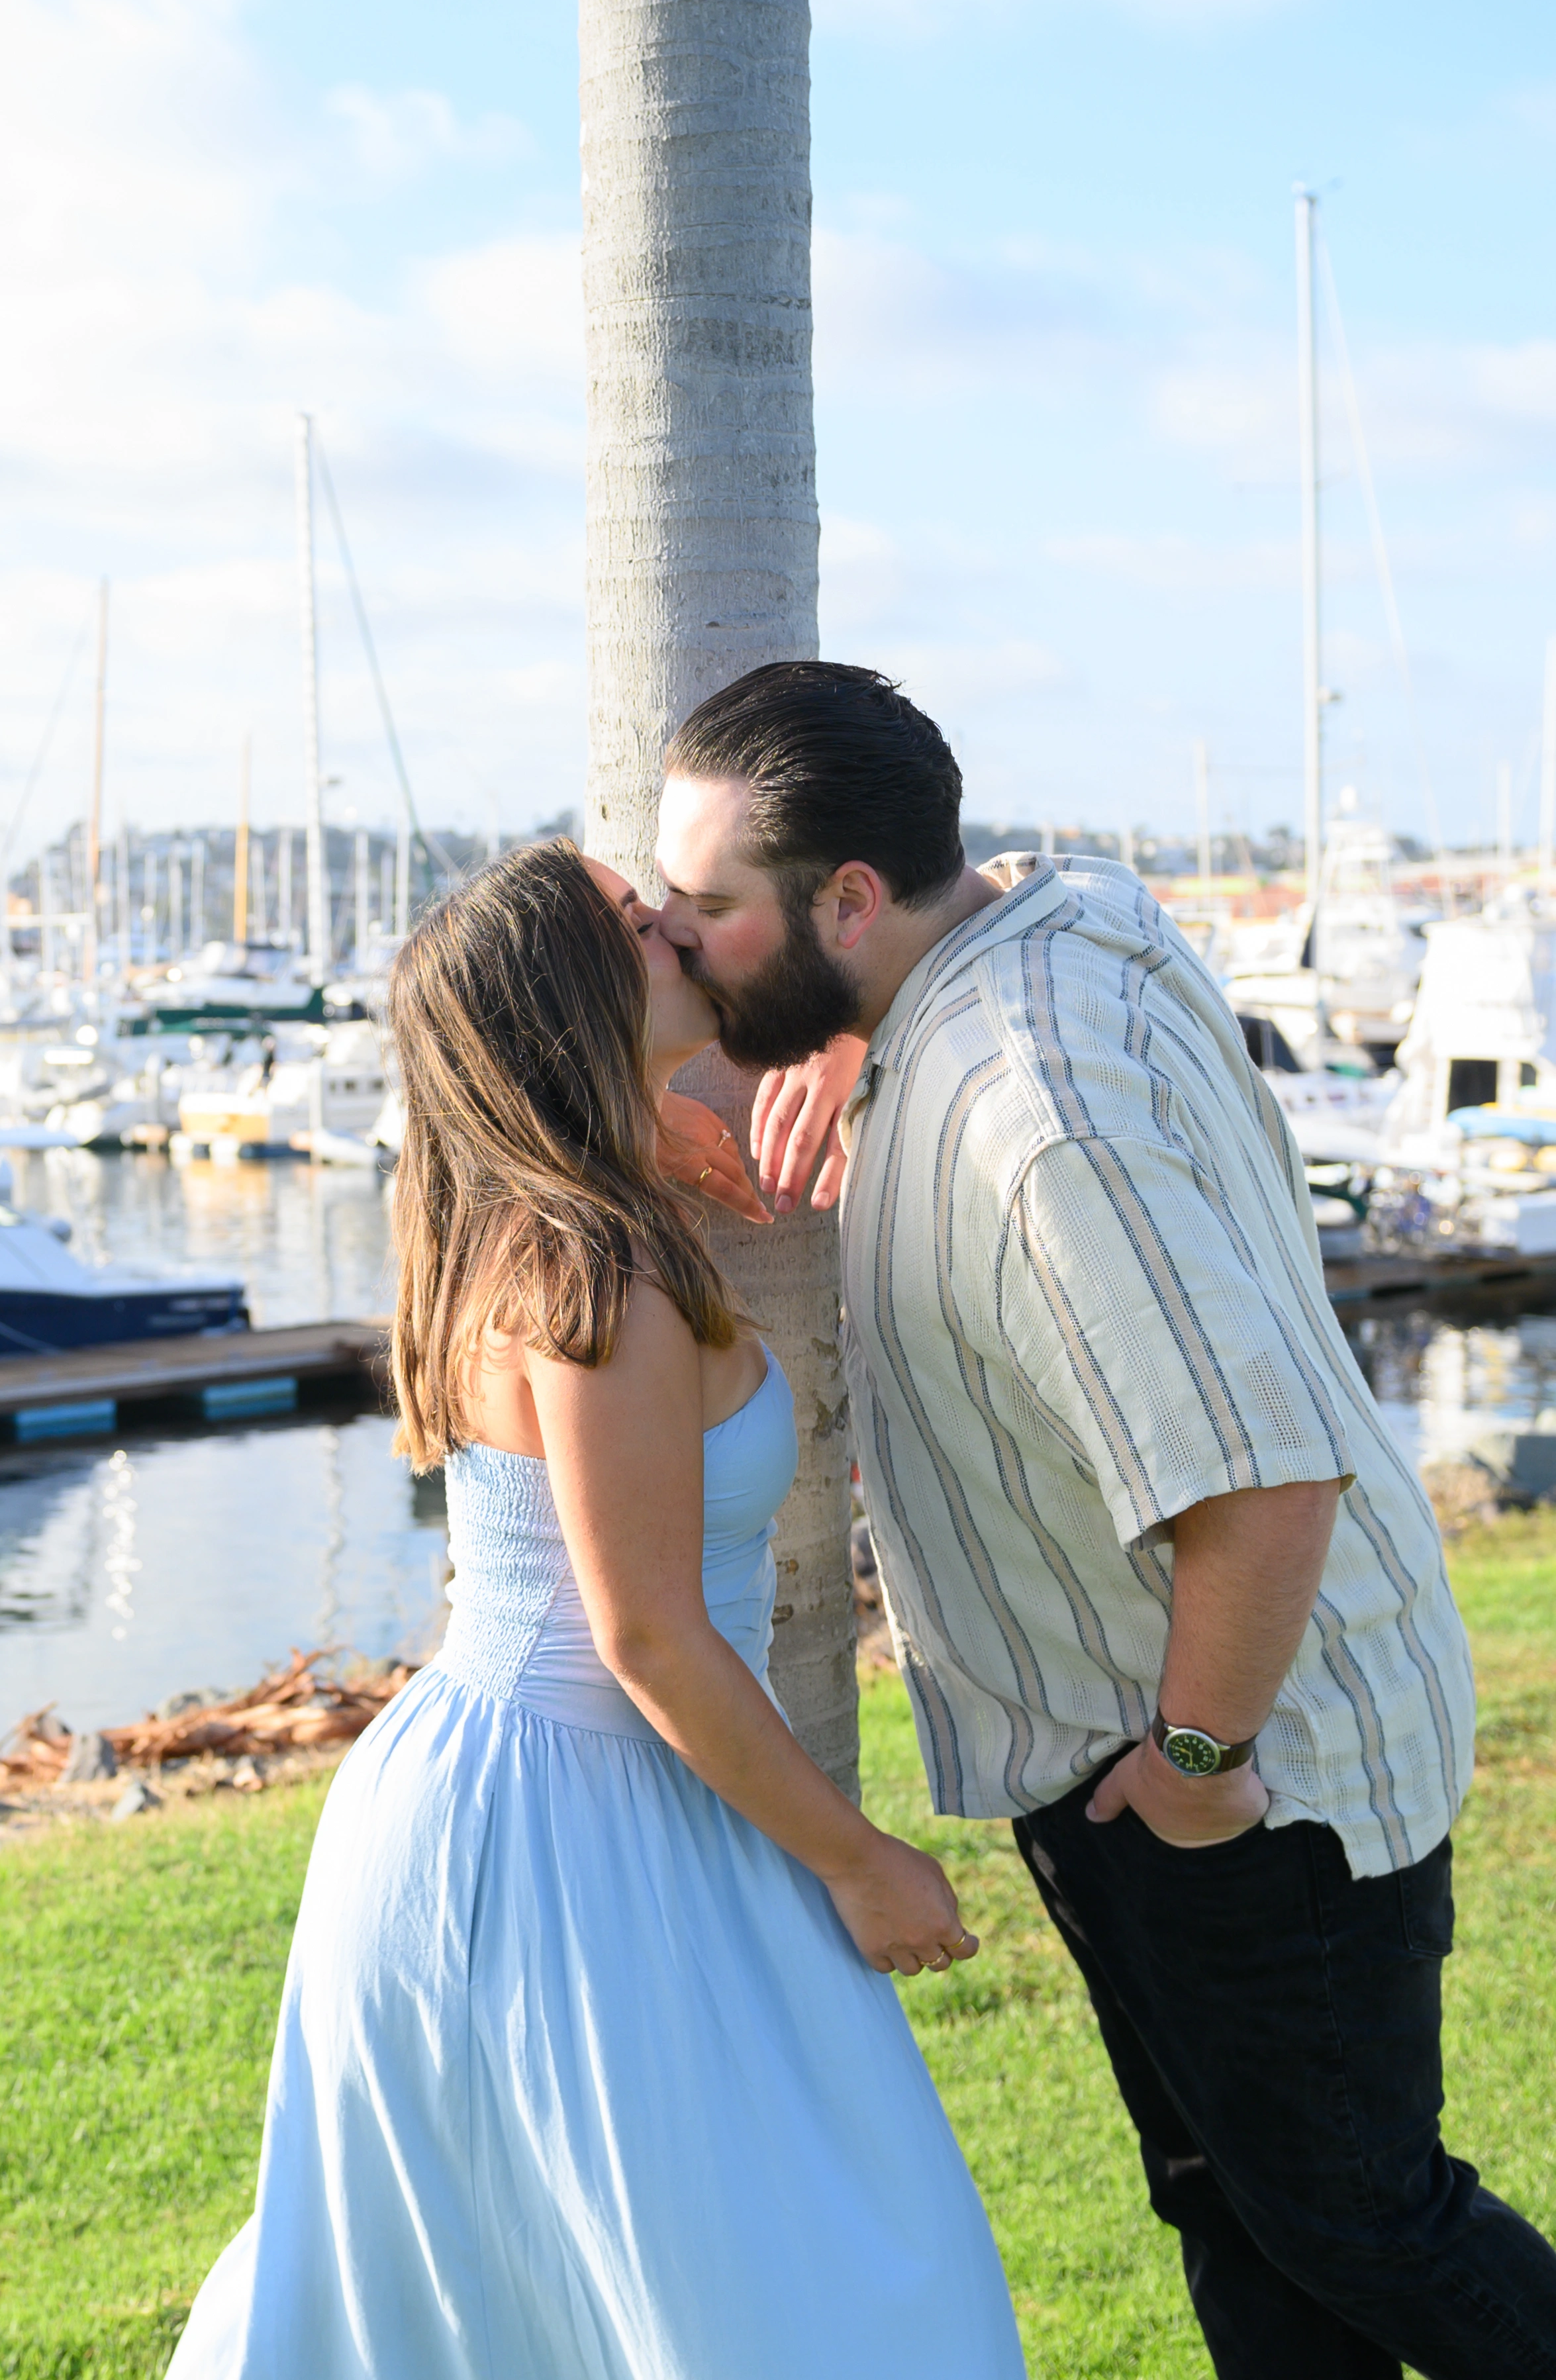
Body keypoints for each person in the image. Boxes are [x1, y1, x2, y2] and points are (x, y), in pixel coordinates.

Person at [652, 658, 1556, 2380]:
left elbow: (1258, 1472)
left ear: (850, 898)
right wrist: (850, 1032)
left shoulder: (1026, 1108)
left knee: (1360, 2217)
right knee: (1247, 2219)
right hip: (1163, 1745)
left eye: (711, 909)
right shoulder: (1035, 924)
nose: (682, 939)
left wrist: (1193, 1772)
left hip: (1247, 1769)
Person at [167, 835, 1024, 2380]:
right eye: (640, 925)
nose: (682, 932)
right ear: (572, 997)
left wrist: (783, 1063)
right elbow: (643, 1633)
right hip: (576, 1821)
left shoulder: (561, 1217)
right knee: (805, 2288)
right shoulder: (593, 1270)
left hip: (553, 1793)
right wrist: (862, 1860)